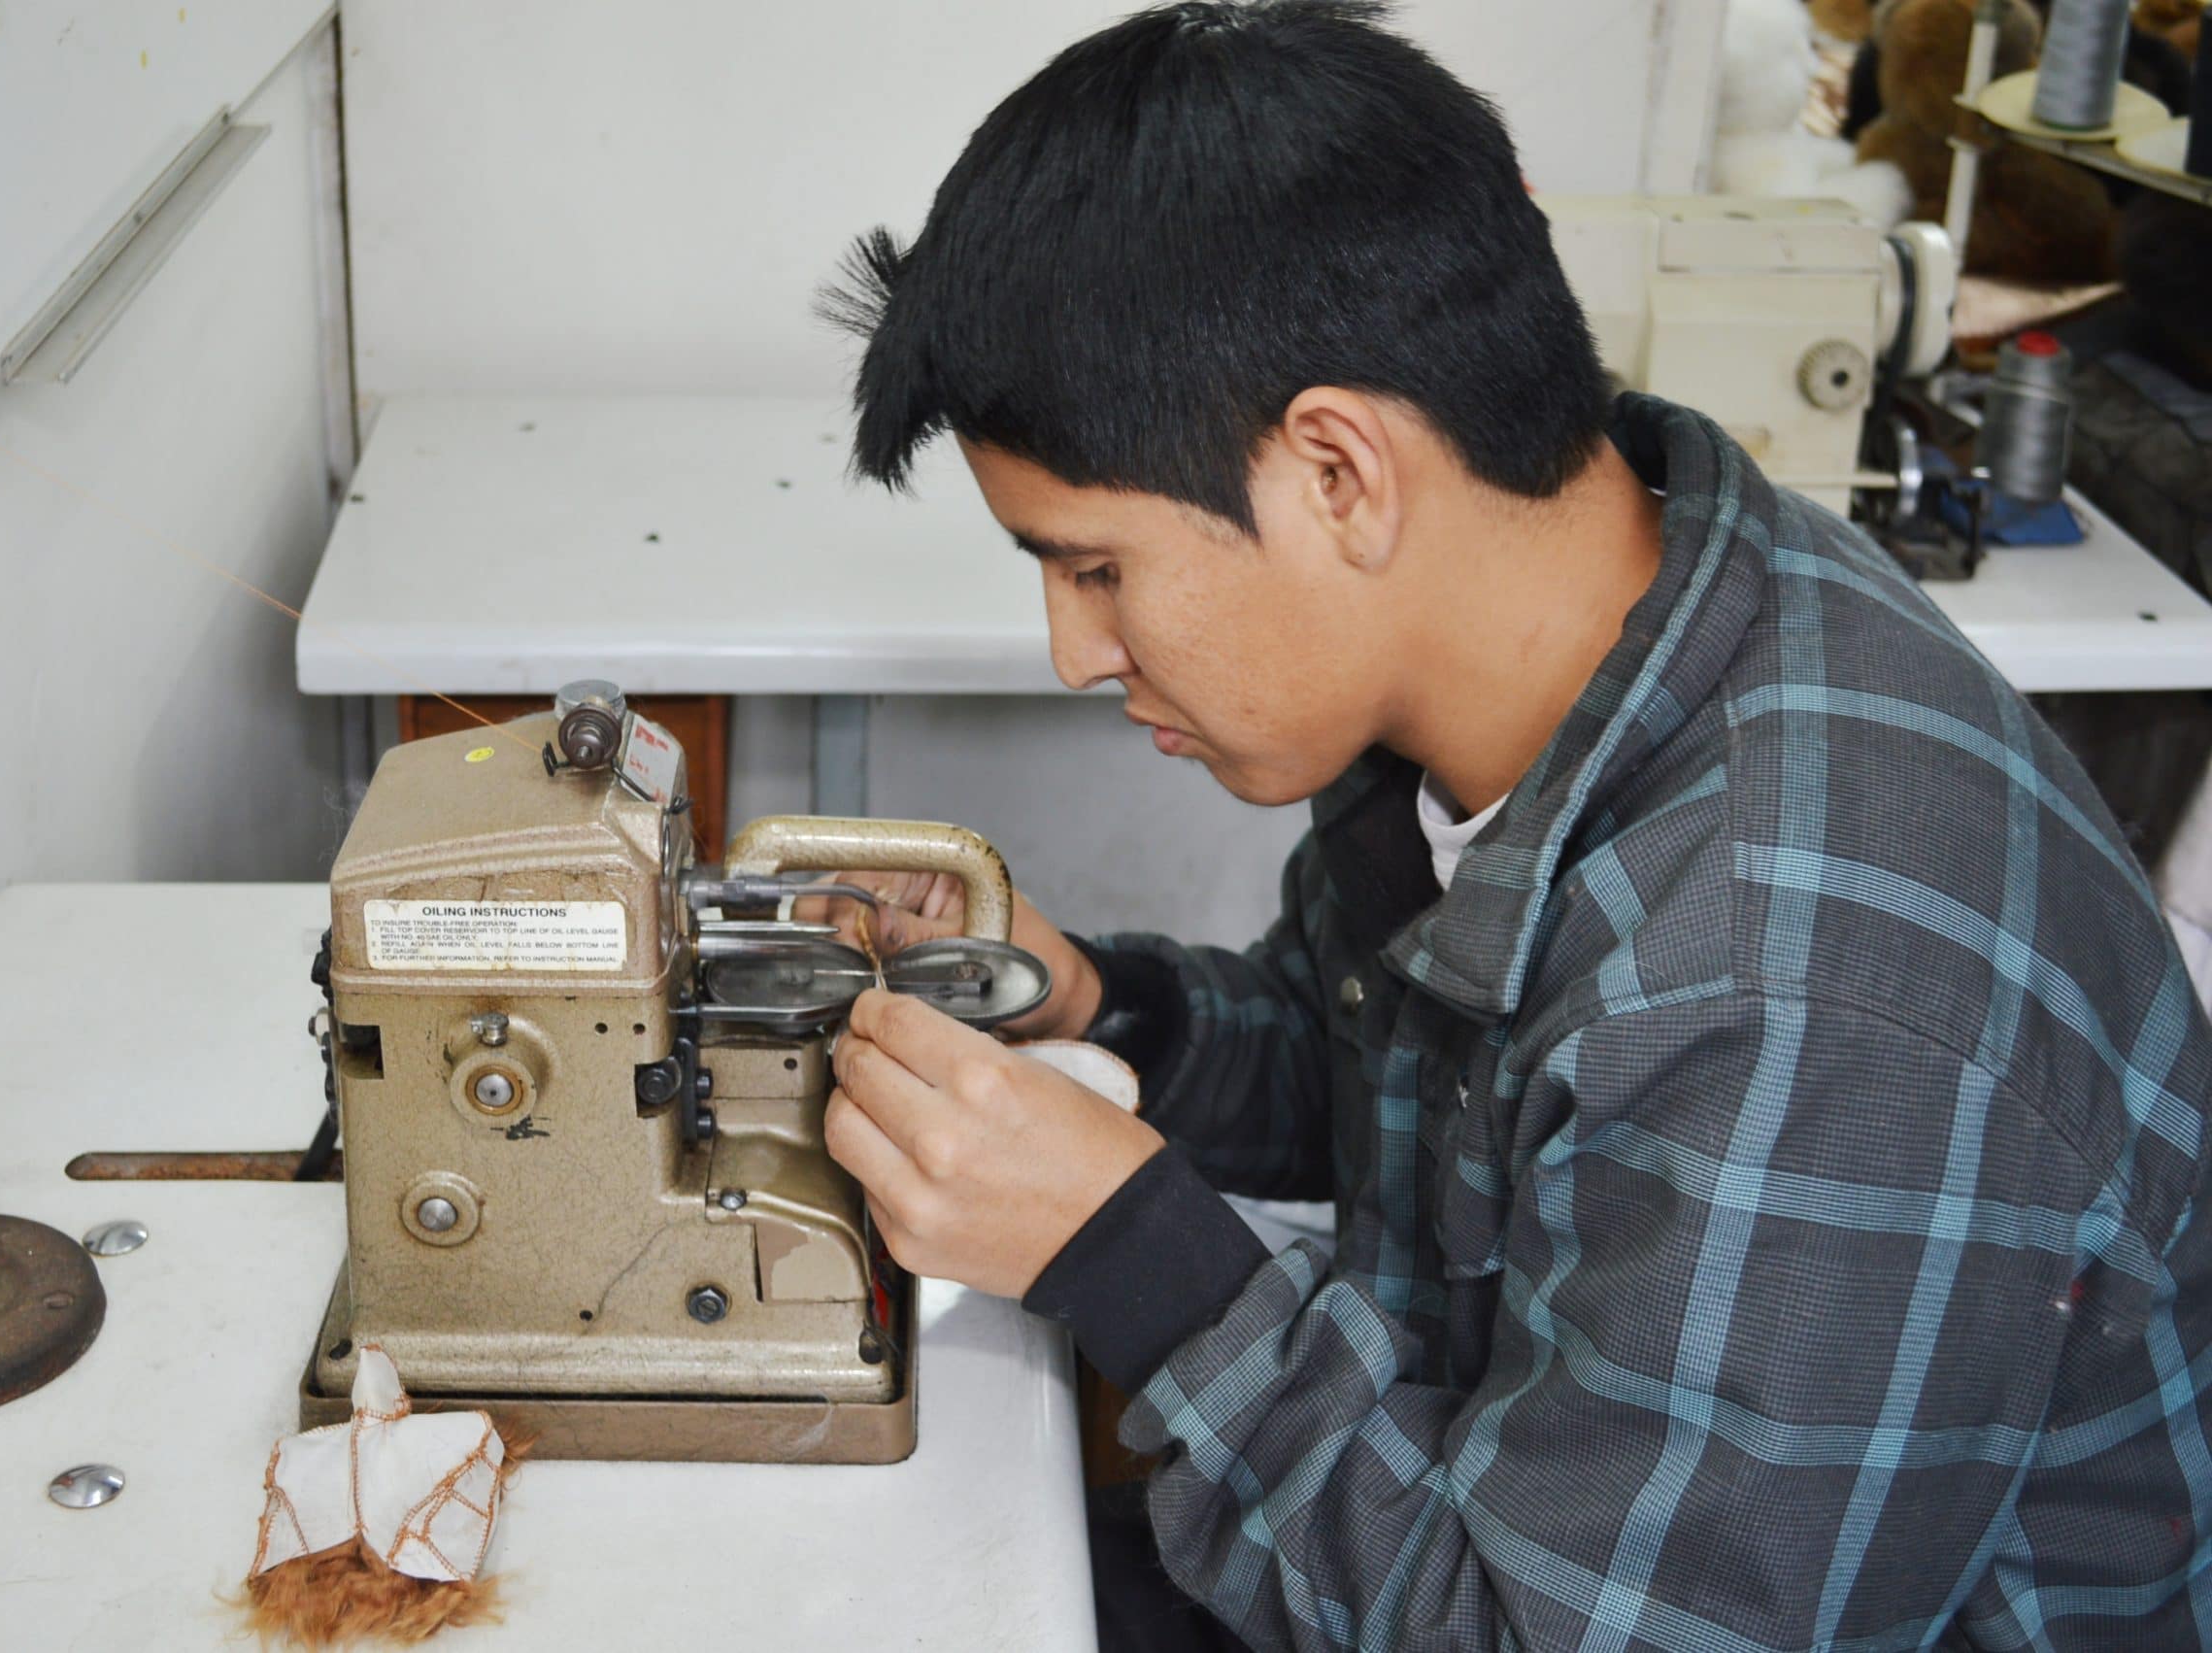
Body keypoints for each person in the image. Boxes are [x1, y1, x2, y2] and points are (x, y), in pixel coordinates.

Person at [810, 3, 2212, 1648]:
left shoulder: (1799, 999)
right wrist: (1101, 1009)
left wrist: (1142, 1262)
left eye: (1095, 564)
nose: (1075, 650)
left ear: (1339, 471)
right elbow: (1404, 1088)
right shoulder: (1548, 656)